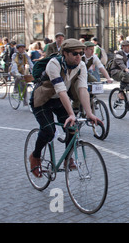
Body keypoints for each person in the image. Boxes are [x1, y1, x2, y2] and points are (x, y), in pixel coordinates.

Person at [29, 39, 102, 178]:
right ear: (65, 53)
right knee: (49, 131)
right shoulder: (54, 64)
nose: (78, 56)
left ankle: (68, 159)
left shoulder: (81, 65)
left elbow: (82, 90)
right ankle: (35, 156)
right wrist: (71, 113)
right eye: (75, 53)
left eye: (80, 53)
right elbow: (61, 90)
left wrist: (89, 113)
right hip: (42, 100)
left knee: (72, 129)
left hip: (59, 100)